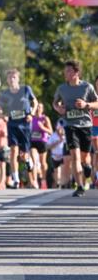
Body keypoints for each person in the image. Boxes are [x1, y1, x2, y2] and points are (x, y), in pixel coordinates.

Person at [52, 59, 98, 196]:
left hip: (85, 125)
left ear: (76, 72)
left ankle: (88, 168)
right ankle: (79, 186)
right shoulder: (61, 88)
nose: (66, 73)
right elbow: (55, 103)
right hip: (70, 125)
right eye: (65, 71)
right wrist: (58, 109)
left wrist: (86, 105)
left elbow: (97, 102)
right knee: (75, 156)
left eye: (69, 71)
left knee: (85, 158)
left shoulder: (87, 87)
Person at [0, 68, 37, 189]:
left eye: (14, 77)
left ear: (18, 79)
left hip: (25, 125)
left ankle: (28, 161)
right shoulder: (5, 94)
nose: (12, 79)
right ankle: (16, 179)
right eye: (9, 77)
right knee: (14, 151)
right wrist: (2, 115)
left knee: (24, 155)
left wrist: (32, 114)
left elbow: (34, 102)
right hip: (12, 125)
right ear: (7, 80)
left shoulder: (26, 89)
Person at [30, 101, 53, 190]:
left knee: (43, 163)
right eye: (37, 107)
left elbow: (51, 131)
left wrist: (42, 128)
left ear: (42, 109)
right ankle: (35, 181)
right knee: (34, 161)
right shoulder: (31, 118)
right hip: (33, 141)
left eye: (40, 107)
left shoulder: (45, 119)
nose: (38, 108)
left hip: (42, 142)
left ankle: (43, 180)